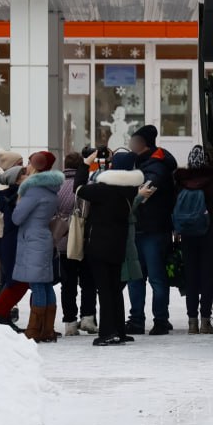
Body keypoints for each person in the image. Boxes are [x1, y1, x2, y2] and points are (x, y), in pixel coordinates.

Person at [78, 150, 146, 346]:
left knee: (105, 290)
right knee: (115, 289)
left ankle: (107, 332)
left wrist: (85, 164)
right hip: (118, 246)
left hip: (99, 246)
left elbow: (80, 189)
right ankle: (119, 330)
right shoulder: (131, 189)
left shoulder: (103, 189)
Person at [126, 124, 177, 336]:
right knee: (137, 277)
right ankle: (138, 319)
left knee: (154, 277)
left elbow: (145, 191)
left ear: (143, 144)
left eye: (133, 142)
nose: (130, 145)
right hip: (142, 228)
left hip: (153, 230)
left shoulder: (157, 164)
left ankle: (160, 320)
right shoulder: (143, 162)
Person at [10, 151, 63, 343]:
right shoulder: (51, 188)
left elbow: (17, 217)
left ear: (37, 166)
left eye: (30, 164)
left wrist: (18, 200)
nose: (27, 167)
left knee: (38, 285)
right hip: (44, 237)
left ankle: (35, 329)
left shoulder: (33, 191)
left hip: (32, 239)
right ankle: (48, 329)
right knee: (45, 283)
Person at [174, 145, 213, 335]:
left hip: (187, 234)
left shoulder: (181, 181)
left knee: (191, 277)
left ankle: (192, 322)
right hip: (208, 232)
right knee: (206, 276)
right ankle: (205, 322)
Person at [58, 152, 96, 337]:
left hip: (65, 241)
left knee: (68, 284)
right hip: (86, 240)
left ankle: (70, 322)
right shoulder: (89, 186)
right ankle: (88, 317)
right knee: (88, 281)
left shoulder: (57, 186)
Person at [0, 158, 30, 331]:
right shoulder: (14, 196)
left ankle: (2, 315)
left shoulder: (12, 195)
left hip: (13, 241)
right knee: (16, 281)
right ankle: (0, 314)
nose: (28, 176)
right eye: (25, 174)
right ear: (17, 179)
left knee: (16, 280)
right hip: (13, 242)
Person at [0, 149, 23, 295]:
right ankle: (3, 311)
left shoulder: (3, 179)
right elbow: (0, 210)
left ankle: (3, 312)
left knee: (6, 275)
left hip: (1, 232)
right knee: (9, 275)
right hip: (1, 233)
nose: (23, 167)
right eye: (20, 164)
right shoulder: (2, 182)